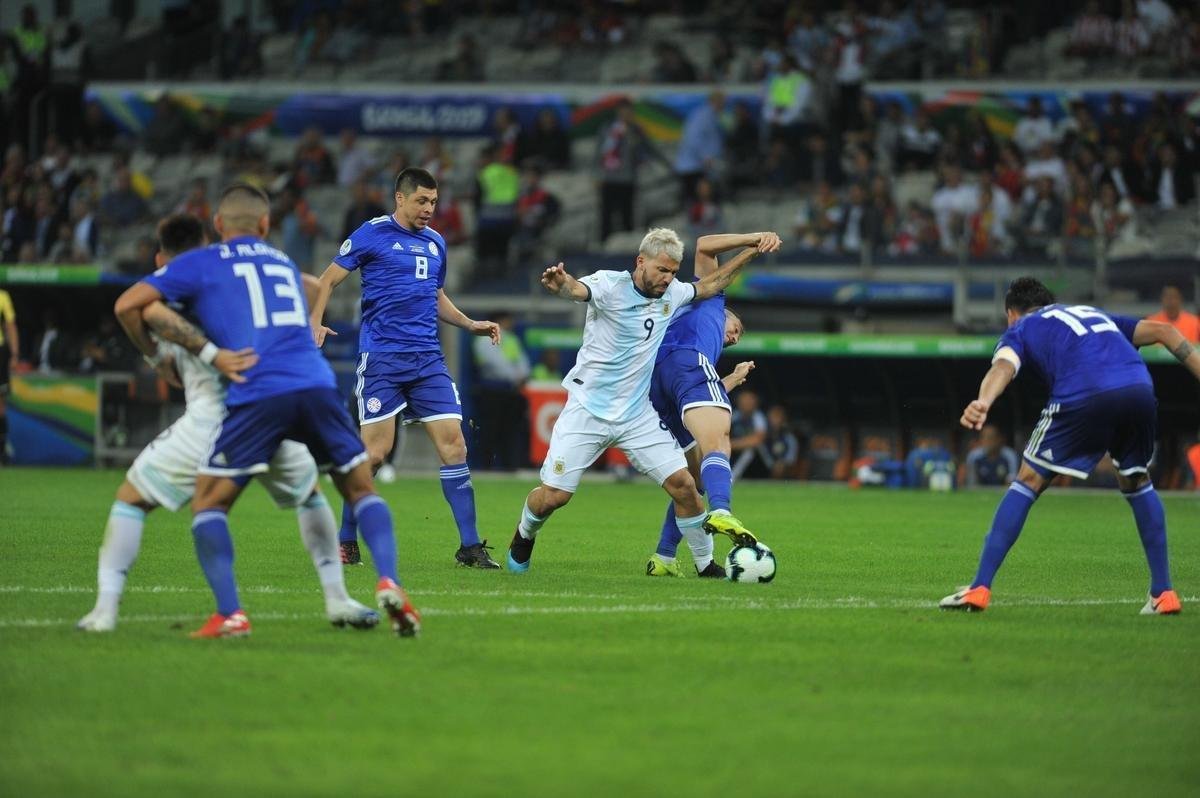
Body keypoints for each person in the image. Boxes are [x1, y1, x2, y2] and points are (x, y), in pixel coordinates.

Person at [113, 186, 420, 638]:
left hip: (258, 390)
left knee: (209, 502)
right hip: (315, 382)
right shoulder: (278, 261)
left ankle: (230, 613)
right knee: (357, 488)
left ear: (218, 227)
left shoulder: (206, 262)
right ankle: (388, 579)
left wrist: (160, 357)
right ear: (263, 225)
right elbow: (316, 286)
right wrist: (308, 321)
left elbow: (129, 305)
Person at [506, 228, 771, 574]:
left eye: (674, 272)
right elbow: (576, 289)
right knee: (554, 498)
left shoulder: (672, 293)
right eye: (662, 270)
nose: (667, 279)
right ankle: (525, 533)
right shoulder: (609, 285)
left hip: (636, 415)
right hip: (588, 410)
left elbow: (709, 285)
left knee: (685, 486)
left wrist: (752, 251)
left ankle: (706, 565)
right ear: (641, 261)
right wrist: (562, 285)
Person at [941, 277, 1200, 615]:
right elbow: (1166, 333)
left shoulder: (1022, 328)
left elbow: (1003, 366)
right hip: (1138, 388)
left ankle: (979, 588)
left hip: (1085, 391)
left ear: (1011, 314)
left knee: (1028, 480)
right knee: (1136, 480)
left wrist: (983, 401)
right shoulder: (1093, 314)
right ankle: (1164, 593)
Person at [309, 167, 502, 569]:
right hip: (382, 359)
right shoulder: (372, 233)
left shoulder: (435, 243)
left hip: (428, 359)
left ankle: (469, 546)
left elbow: (435, 295)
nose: (429, 209)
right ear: (400, 198)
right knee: (375, 455)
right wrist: (314, 322)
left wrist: (469, 323)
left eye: (433, 201)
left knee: (455, 446)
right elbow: (327, 280)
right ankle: (345, 539)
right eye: (421, 201)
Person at [646, 231, 781, 577]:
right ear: (726, 311)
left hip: (657, 381)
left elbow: (695, 402)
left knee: (693, 480)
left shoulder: (679, 311)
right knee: (719, 443)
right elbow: (704, 243)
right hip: (685, 363)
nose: (735, 336)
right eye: (737, 328)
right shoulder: (710, 297)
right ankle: (721, 510)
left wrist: (732, 380)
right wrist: (754, 240)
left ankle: (663, 557)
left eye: (738, 338)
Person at [472, 311, 531, 471]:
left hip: (511, 392)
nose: (510, 324)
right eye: (507, 320)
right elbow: (495, 363)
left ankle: (510, 466)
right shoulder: (483, 340)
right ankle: (486, 467)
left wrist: (522, 375)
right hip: (492, 390)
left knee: (510, 431)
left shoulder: (512, 339)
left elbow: (523, 361)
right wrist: (515, 376)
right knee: (490, 431)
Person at [0, 287, 17, 463]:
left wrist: (14, 353)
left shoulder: (3, 296)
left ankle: (2, 450)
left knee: (0, 405)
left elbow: (10, 325)